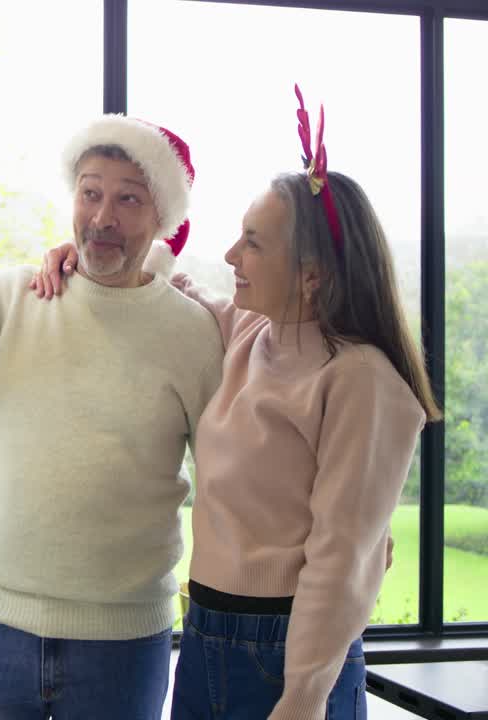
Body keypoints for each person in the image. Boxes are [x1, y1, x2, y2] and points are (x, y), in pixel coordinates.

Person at [30, 89, 439, 719]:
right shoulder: (246, 333)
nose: (230, 257)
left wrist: (304, 696)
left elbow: (344, 557)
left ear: (312, 273)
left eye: (252, 243)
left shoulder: (361, 380)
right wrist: (74, 257)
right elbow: (166, 287)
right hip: (205, 638)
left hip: (288, 655)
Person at [0, 113, 223, 719]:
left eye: (128, 199)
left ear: (162, 219)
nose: (103, 217)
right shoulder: (12, 298)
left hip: (124, 645)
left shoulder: (193, 334)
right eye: (90, 192)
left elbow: (226, 482)